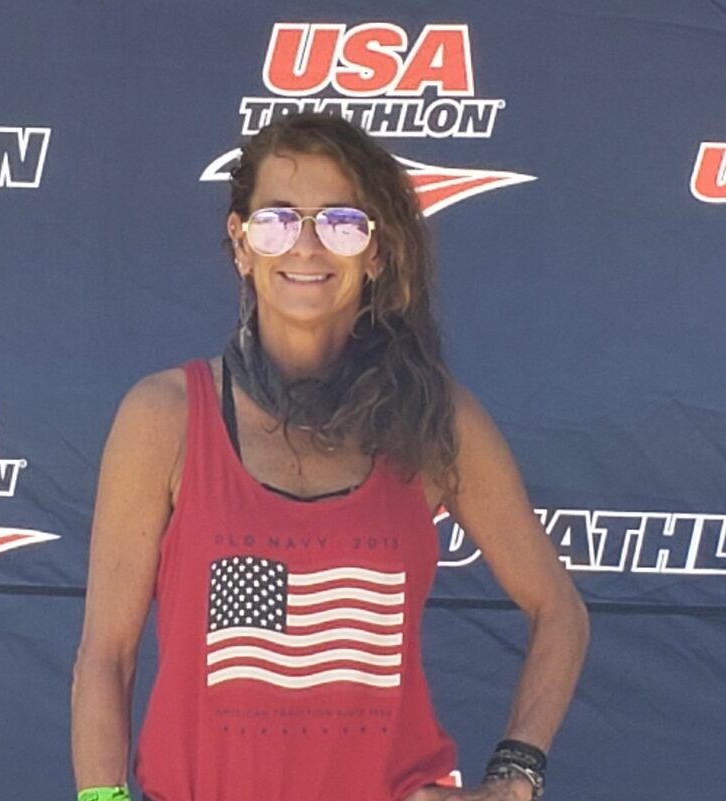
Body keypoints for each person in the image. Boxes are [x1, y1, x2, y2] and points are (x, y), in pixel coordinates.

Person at [71, 112, 589, 801]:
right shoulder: (164, 417)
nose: (307, 247)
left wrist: (514, 778)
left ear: (374, 250)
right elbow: (106, 656)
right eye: (277, 220)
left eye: (339, 222)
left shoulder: (434, 420)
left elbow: (560, 609)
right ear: (240, 242)